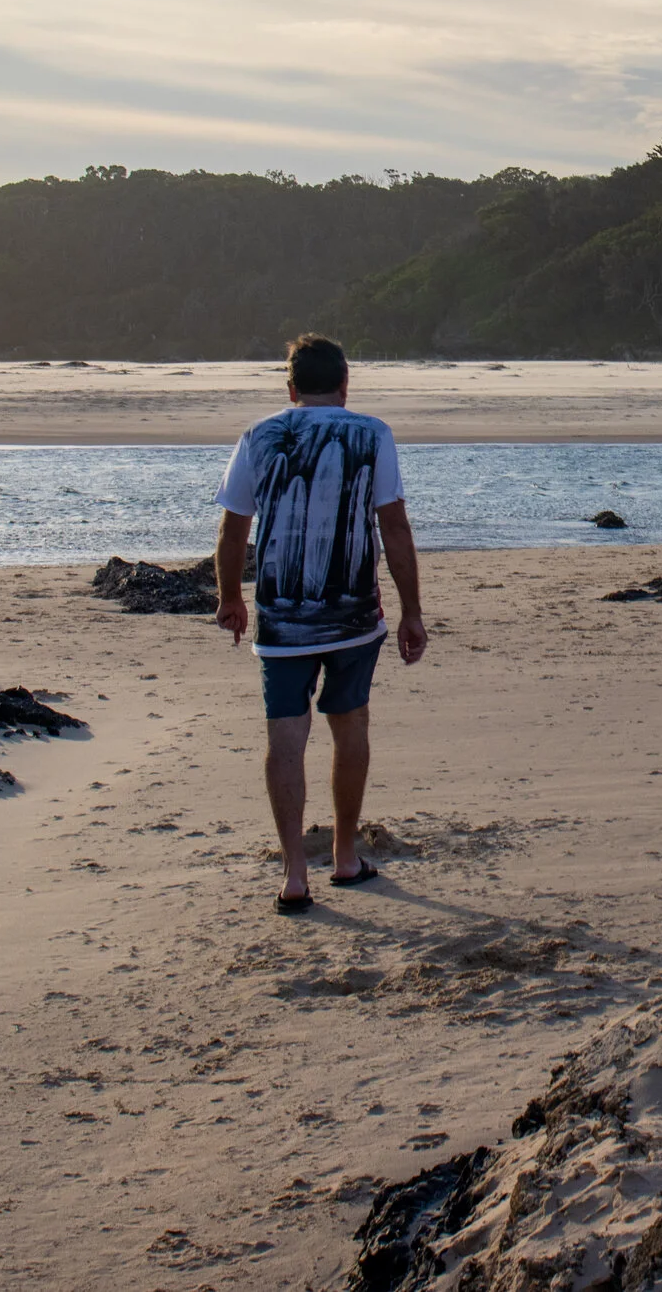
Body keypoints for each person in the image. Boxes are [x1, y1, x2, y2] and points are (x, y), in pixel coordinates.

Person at [212, 334, 427, 914]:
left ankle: (293, 876)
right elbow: (395, 529)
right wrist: (412, 610)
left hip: (280, 619)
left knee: (285, 737)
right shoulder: (372, 433)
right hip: (355, 616)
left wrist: (231, 597)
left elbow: (235, 531)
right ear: (345, 385)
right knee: (349, 727)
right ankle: (345, 858)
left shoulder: (258, 436)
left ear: (291, 389)